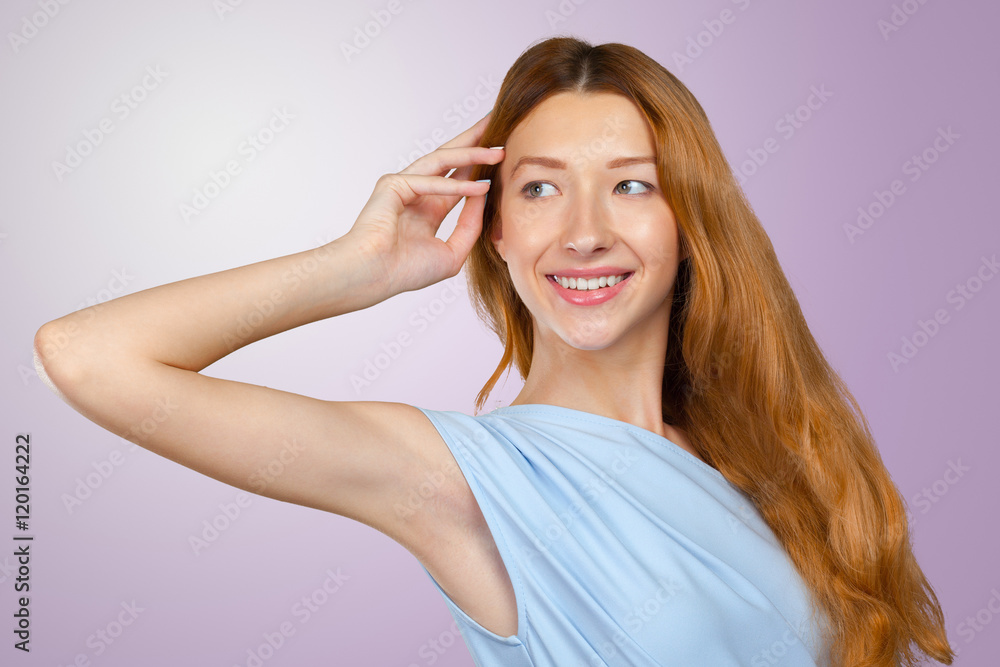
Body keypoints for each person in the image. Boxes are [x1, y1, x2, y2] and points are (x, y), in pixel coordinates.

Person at [34, 36, 954, 666]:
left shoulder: (770, 461)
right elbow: (89, 355)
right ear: (496, 229)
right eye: (542, 189)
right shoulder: (461, 481)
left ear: (688, 225)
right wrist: (355, 267)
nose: (585, 232)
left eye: (631, 185)